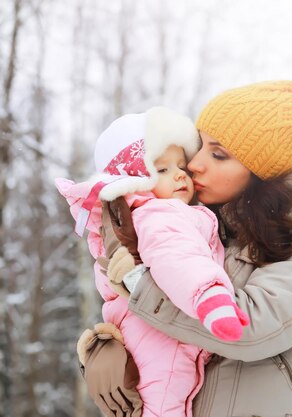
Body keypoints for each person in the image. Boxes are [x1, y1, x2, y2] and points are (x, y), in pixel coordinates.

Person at [80, 80, 292, 417]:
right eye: (200, 147)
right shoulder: (213, 220)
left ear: (262, 167)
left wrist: (138, 286)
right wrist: (109, 348)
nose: (194, 164)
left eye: (218, 154)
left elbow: (253, 328)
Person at [56, 107, 249, 417]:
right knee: (166, 401)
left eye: (181, 166)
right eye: (161, 170)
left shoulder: (135, 216)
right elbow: (178, 260)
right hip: (160, 339)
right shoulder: (160, 215)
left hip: (149, 332)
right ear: (135, 182)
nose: (179, 175)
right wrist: (211, 298)